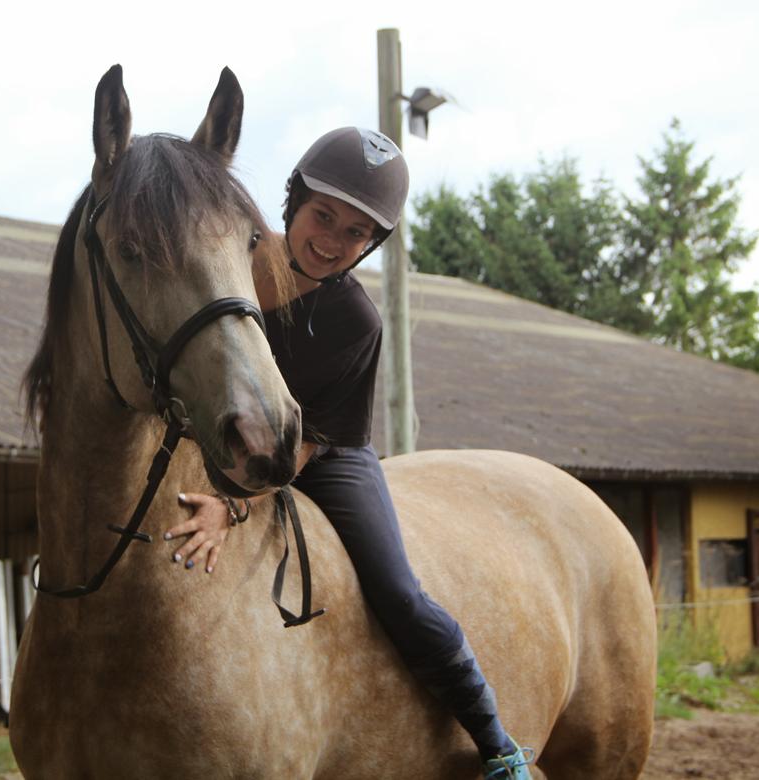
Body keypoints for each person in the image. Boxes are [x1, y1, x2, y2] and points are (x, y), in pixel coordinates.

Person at [165, 127, 536, 779]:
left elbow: (305, 442)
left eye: (356, 234)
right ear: (295, 201)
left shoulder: (355, 320)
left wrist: (232, 506)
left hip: (324, 455)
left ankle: (495, 742)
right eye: (324, 217)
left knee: (398, 594)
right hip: (222, 438)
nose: (331, 242)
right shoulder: (224, 262)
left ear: (372, 245)